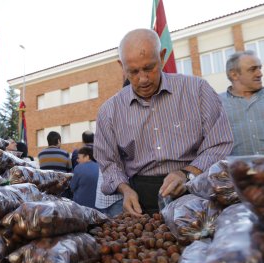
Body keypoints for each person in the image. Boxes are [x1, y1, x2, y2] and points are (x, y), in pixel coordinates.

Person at [94, 28, 233, 217]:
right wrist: (125, 190)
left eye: (149, 68)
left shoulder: (197, 91)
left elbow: (219, 143)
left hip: (197, 196)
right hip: (141, 204)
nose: (142, 79)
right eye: (133, 72)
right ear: (122, 66)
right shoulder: (109, 111)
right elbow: (109, 163)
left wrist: (187, 173)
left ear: (162, 56)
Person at [220, 50, 264, 156]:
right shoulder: (217, 104)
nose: (260, 73)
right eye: (252, 69)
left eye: (259, 68)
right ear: (234, 75)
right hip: (237, 171)